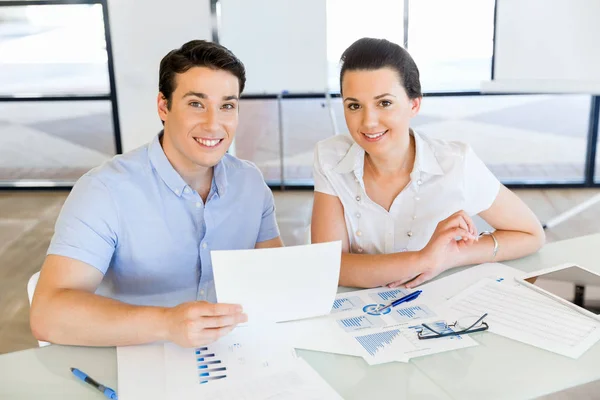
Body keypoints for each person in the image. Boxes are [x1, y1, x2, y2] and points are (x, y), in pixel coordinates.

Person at [30, 40, 283, 347]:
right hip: (134, 360)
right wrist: (167, 324)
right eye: (196, 104)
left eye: (227, 106)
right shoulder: (104, 191)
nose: (213, 124)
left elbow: (274, 277)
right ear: (164, 106)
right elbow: (47, 314)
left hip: (234, 352)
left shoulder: (251, 184)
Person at [311, 38, 545, 289]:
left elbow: (530, 234)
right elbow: (329, 266)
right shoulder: (331, 158)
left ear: (414, 104)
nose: (368, 122)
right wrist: (422, 260)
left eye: (384, 103)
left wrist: (451, 257)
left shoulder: (455, 163)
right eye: (354, 105)